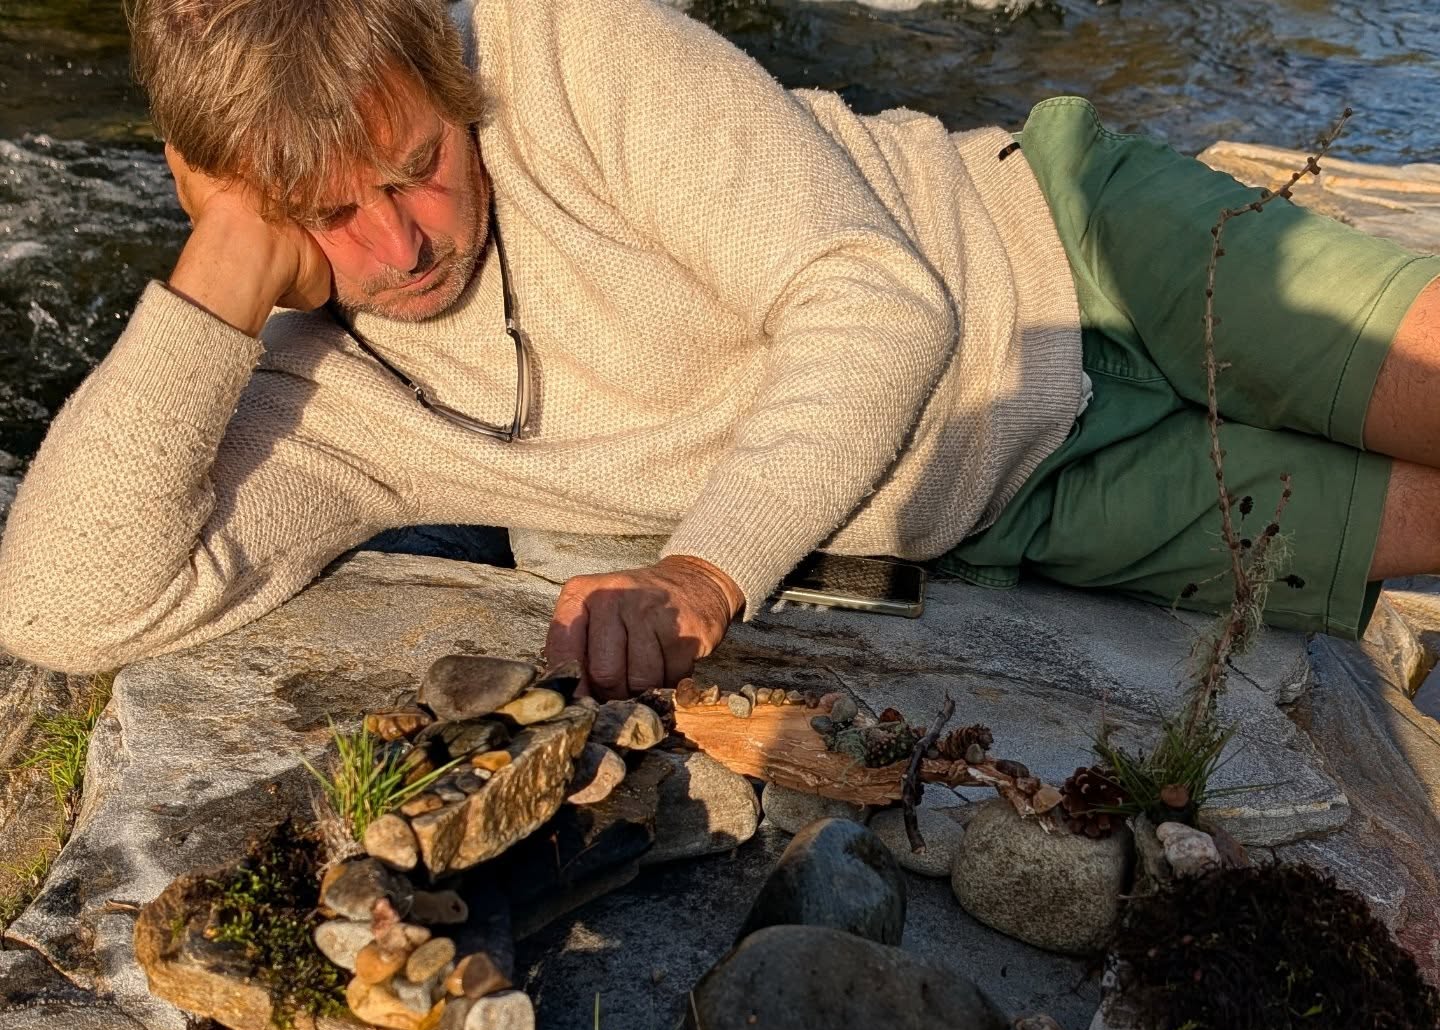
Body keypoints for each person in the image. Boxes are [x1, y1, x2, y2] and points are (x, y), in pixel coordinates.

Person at [2, 0, 1438, 697]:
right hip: (1017, 503)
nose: (402, 245)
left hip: (1068, 245)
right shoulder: (336, 404)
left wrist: (702, 567)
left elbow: (875, 301)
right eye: (324, 216)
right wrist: (219, 284)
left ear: (444, 80)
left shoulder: (565, 49)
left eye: (419, 166)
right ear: (227, 196)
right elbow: (60, 606)